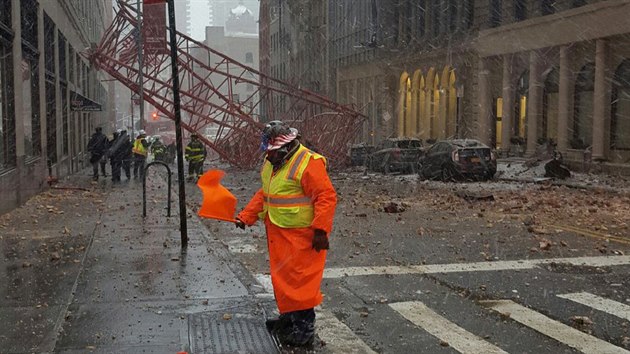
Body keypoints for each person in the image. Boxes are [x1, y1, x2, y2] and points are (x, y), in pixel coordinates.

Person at [235, 121, 337, 348]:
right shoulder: (274, 162)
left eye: (271, 153)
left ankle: (304, 328)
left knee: (301, 282)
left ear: (284, 147)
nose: (267, 157)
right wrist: (246, 216)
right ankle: (289, 319)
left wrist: (321, 230)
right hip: (279, 232)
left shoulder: (308, 162)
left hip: (302, 235)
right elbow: (266, 193)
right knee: (284, 280)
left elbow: (325, 197)